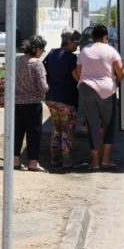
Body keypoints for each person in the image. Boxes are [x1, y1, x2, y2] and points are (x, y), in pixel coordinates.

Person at [75, 24, 124, 170]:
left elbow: (78, 73)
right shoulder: (111, 51)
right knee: (108, 126)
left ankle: (95, 162)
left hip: (86, 89)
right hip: (106, 90)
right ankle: (105, 160)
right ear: (106, 37)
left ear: (92, 37)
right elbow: (120, 72)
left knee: (92, 125)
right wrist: (115, 82)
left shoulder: (84, 51)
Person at [43, 29, 81, 169]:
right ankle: (66, 160)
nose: (77, 46)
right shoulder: (71, 58)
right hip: (67, 99)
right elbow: (77, 78)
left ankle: (54, 159)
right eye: (76, 43)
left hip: (51, 97)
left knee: (56, 128)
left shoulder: (51, 53)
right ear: (70, 42)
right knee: (67, 130)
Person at [14, 35, 48, 172]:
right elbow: (43, 86)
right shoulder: (37, 64)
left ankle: (16, 160)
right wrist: (48, 87)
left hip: (17, 103)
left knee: (17, 132)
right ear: (38, 49)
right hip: (33, 104)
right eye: (43, 50)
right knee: (33, 134)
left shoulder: (18, 60)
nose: (43, 52)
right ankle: (33, 162)